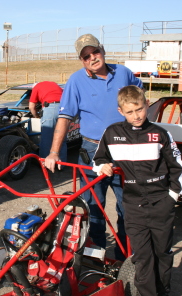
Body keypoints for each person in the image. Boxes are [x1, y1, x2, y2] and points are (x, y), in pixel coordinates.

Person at [44, 34, 143, 260]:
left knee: (128, 206)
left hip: (126, 150)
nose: (92, 58)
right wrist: (53, 152)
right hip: (92, 150)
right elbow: (65, 117)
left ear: (103, 50)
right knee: (93, 207)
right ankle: (95, 257)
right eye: (86, 56)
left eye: (95, 52)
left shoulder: (124, 74)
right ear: (81, 60)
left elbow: (141, 103)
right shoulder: (76, 81)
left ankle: (125, 257)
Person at [93, 85, 182, 296]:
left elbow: (177, 167)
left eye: (140, 109)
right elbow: (98, 159)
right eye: (130, 112)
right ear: (121, 112)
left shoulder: (160, 134)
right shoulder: (112, 132)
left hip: (161, 202)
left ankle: (163, 293)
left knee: (162, 253)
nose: (136, 116)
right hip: (133, 205)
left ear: (147, 105)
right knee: (142, 257)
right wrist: (102, 166)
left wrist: (172, 196)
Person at [29, 81, 67, 162]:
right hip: (64, 108)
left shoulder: (36, 87)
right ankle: (62, 164)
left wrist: (36, 116)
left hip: (50, 108)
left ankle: (44, 163)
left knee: (46, 138)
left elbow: (31, 106)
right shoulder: (53, 84)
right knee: (61, 137)